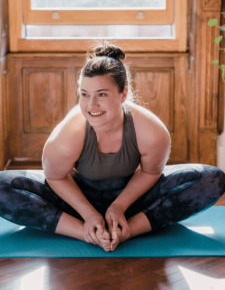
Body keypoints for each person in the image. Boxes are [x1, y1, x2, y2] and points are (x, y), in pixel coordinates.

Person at [0, 40, 225, 252]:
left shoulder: (151, 132)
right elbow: (56, 177)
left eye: (102, 94)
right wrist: (88, 216)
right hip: (77, 200)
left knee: (212, 179)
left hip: (133, 199)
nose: (91, 105)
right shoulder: (69, 133)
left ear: (123, 94)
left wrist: (119, 207)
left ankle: (128, 230)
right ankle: (85, 232)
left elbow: (150, 173)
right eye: (84, 94)